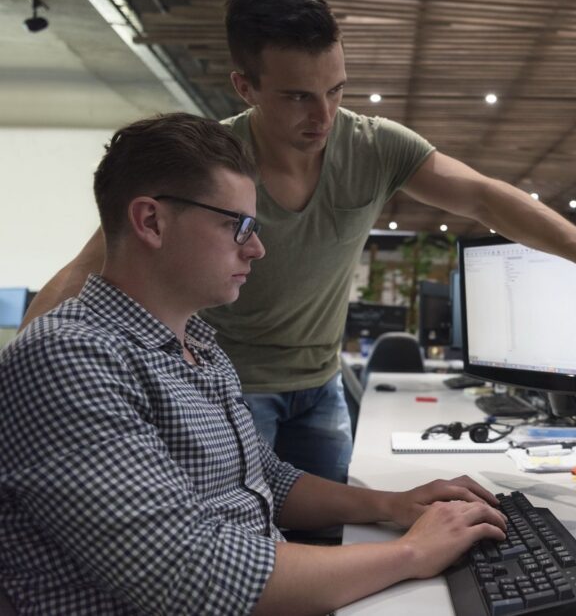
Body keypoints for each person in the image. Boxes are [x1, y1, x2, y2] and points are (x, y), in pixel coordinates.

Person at [21, 0, 576, 484]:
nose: (324, 114)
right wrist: (24, 369)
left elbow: (483, 198)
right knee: (246, 544)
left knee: (328, 533)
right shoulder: (207, 163)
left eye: (335, 89)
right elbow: (93, 264)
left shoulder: (373, 146)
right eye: (298, 96)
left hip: (321, 384)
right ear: (244, 85)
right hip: (228, 387)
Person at [0, 113, 506, 615]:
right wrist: (412, 552)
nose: (258, 248)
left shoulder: (199, 347)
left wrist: (392, 505)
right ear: (151, 221)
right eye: (238, 225)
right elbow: (192, 577)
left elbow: (263, 478)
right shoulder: (69, 357)